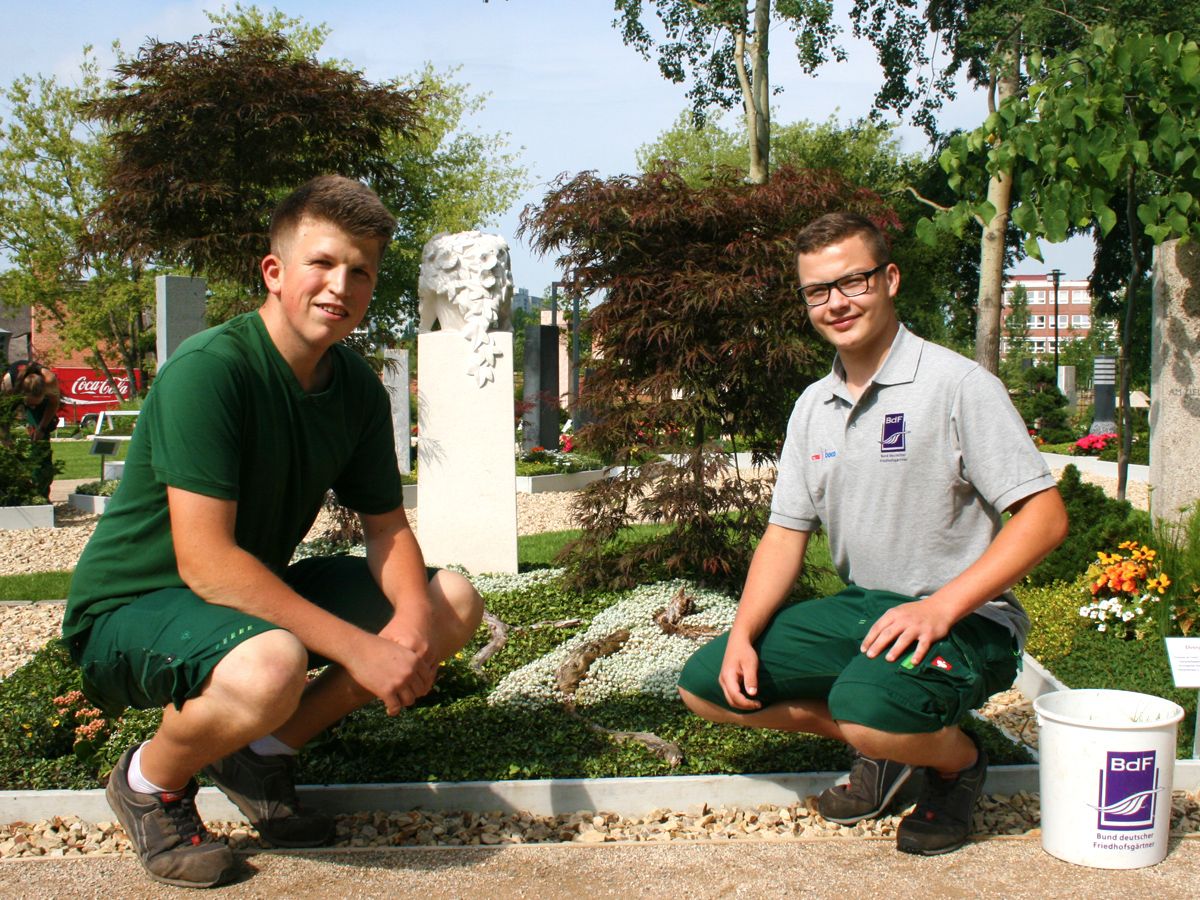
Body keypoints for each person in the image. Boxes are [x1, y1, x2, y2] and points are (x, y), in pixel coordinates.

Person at [62, 175, 484, 888]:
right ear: (275, 270)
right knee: (272, 664)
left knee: (453, 603)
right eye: (321, 263)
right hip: (133, 608)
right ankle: (148, 783)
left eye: (360, 272)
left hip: (241, 600)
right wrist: (363, 652)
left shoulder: (352, 386)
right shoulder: (211, 372)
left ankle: (259, 753)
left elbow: (387, 528)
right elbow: (207, 566)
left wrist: (410, 628)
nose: (339, 285)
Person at [677, 212, 1068, 856]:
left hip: (966, 620)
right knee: (708, 682)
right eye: (817, 291)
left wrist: (941, 606)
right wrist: (744, 634)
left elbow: (1045, 517)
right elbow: (783, 533)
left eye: (853, 281)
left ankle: (954, 764)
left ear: (889, 279)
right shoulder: (813, 405)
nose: (837, 303)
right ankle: (886, 747)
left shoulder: (957, 385)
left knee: (866, 706)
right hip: (865, 609)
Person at [1, 360, 61, 499]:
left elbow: (53, 404)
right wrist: (6, 440)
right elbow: (2, 416)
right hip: (13, 392)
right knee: (7, 445)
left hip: (39, 399)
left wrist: (41, 427)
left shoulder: (49, 380)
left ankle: (41, 492)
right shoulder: (7, 384)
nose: (32, 407)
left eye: (35, 403)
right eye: (29, 403)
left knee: (41, 443)